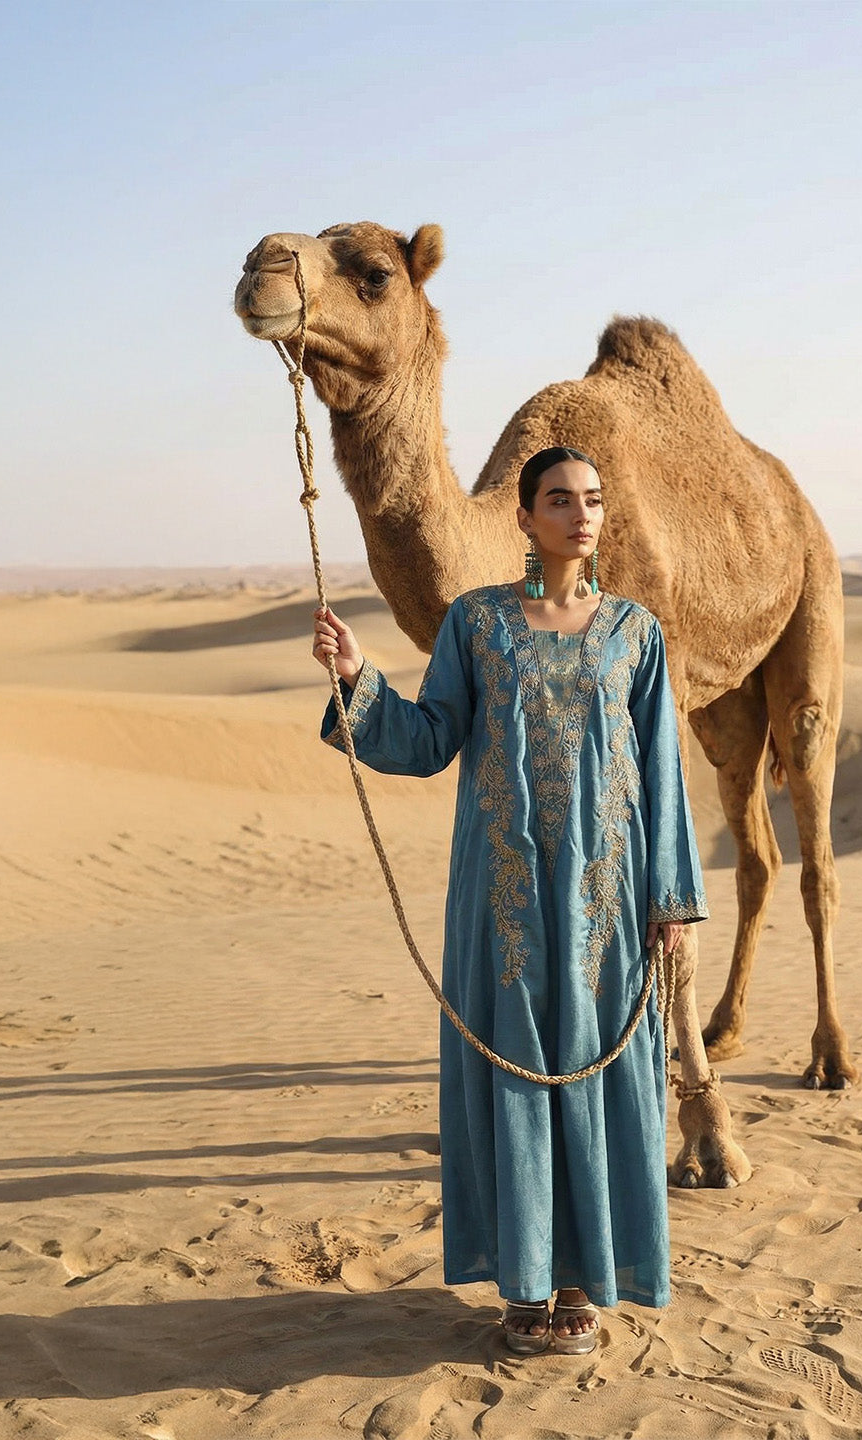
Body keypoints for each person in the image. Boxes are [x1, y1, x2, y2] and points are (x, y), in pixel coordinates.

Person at [311, 447, 708, 1355]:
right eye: (561, 500)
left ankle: (582, 1281)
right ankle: (525, 1285)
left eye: (594, 500)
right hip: (503, 903)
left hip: (609, 902)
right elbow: (427, 738)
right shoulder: (476, 623)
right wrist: (358, 673)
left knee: (602, 1074)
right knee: (518, 1077)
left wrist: (673, 902)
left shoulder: (636, 634)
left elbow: (663, 775)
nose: (582, 515)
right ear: (525, 518)